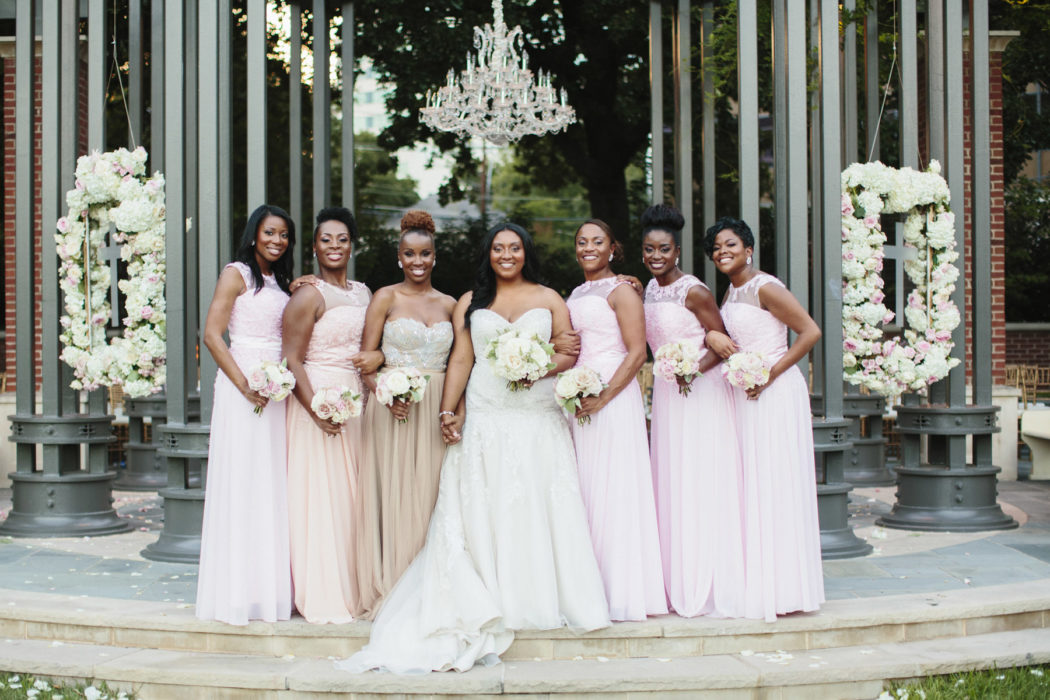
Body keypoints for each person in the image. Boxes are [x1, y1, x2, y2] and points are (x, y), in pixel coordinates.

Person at [337, 222, 609, 674]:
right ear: (488, 254)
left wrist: (536, 366)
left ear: (526, 253)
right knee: (485, 501)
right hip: (485, 411)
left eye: (514, 248)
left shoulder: (549, 298)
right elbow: (462, 358)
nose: (507, 255)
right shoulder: (470, 301)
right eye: (498, 248)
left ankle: (537, 596)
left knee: (536, 498)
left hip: (535, 414)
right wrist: (448, 411)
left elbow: (568, 352)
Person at [705, 216, 824, 622]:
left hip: (774, 391)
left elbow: (810, 332)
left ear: (749, 249)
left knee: (775, 481)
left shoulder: (765, 287)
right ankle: (762, 580)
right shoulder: (732, 291)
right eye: (716, 248)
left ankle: (784, 587)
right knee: (753, 483)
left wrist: (770, 374)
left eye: (730, 244)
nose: (722, 252)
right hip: (747, 391)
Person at [640, 204, 746, 618]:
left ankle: (710, 581)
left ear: (678, 251)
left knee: (700, 478)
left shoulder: (695, 291)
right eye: (649, 249)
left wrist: (692, 370)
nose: (656, 256)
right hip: (669, 396)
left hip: (699, 392)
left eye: (664, 249)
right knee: (673, 478)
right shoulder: (649, 290)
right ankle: (676, 576)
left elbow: (723, 343)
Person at [197, 204, 296, 625]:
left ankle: (269, 591)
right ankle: (236, 593)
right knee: (242, 480)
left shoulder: (282, 282)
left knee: (271, 482)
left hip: (276, 390)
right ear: (254, 233)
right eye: (270, 232)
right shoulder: (235, 274)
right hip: (243, 388)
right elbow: (211, 334)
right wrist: (243, 385)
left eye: (284, 235)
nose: (277, 240)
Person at [354, 210, 456, 619]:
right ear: (399, 257)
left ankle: (428, 586)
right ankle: (394, 583)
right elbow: (365, 362)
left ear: (435, 256)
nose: (417, 261)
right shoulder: (385, 297)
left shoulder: (450, 304)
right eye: (409, 254)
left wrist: (452, 410)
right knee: (395, 494)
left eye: (424, 254)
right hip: (393, 409)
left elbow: (461, 362)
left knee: (431, 495)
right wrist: (384, 393)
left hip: (435, 411)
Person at [565, 219, 666, 622]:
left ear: (612, 249)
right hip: (580, 395)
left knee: (616, 486)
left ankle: (623, 590)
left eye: (597, 241)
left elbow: (638, 352)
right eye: (582, 241)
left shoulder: (622, 290)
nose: (588, 247)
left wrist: (604, 396)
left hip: (613, 395)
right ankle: (591, 587)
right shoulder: (577, 293)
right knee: (587, 488)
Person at [282, 207, 373, 623]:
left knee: (352, 499)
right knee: (322, 496)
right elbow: (291, 359)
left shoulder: (364, 293)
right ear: (315, 248)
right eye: (325, 240)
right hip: (316, 401)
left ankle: (355, 583)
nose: (334, 246)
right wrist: (316, 409)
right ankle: (323, 589)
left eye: (342, 239)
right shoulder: (307, 295)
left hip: (356, 404)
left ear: (352, 245)